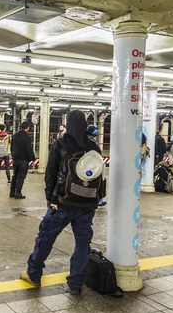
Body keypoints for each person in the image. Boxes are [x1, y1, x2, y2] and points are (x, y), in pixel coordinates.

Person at [20, 110, 101, 295]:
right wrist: (95, 202)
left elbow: (51, 172)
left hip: (62, 202)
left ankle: (34, 275)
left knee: (46, 238)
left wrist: (50, 197)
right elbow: (99, 177)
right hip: (86, 204)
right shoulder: (92, 146)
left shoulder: (61, 143)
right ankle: (75, 283)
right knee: (82, 244)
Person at [10, 121, 35, 199]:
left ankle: (12, 192)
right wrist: (31, 158)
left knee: (15, 176)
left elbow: (11, 147)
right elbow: (28, 149)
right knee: (21, 177)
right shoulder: (26, 136)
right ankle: (18, 193)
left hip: (15, 159)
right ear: (28, 128)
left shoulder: (15, 135)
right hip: (23, 160)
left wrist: (13, 156)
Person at [87, 125, 107, 208]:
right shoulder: (92, 143)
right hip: (95, 165)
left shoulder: (85, 141)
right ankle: (99, 200)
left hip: (87, 166)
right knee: (100, 182)